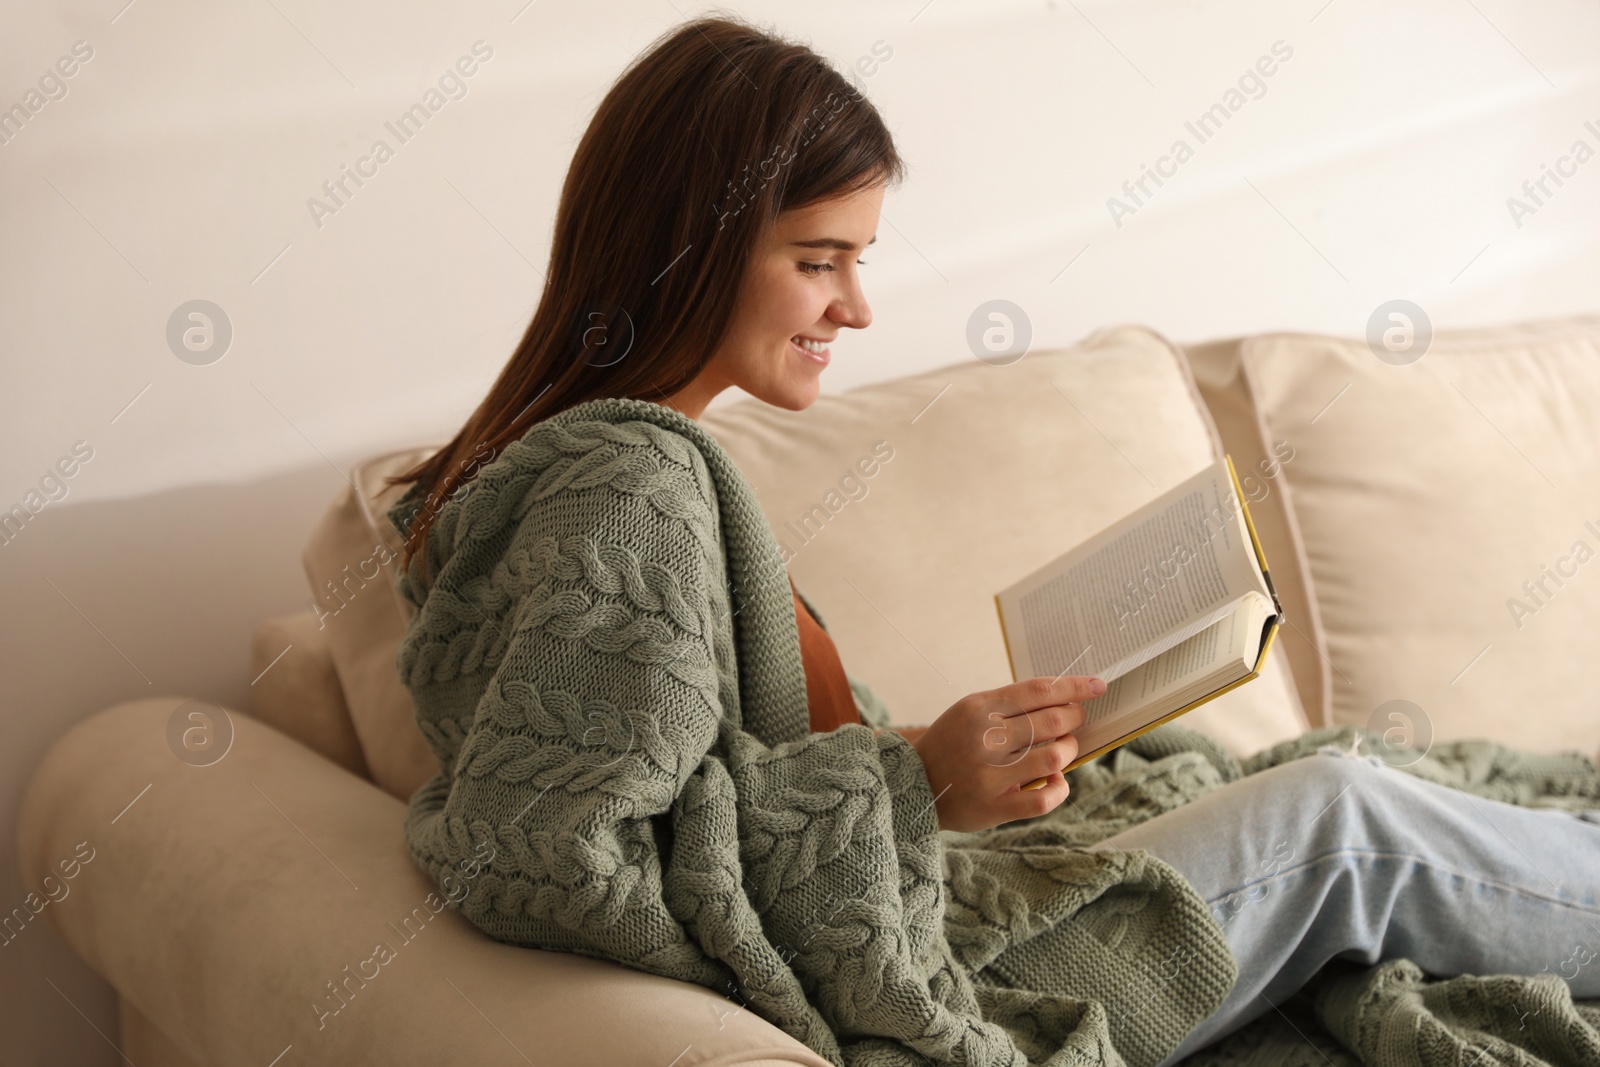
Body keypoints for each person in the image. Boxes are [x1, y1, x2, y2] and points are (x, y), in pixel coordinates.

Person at [386, 14, 1600, 1066]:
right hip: (942, 961)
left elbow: (681, 778)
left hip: (926, 891)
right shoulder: (630, 482)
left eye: (857, 260)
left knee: (1344, 787)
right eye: (818, 262)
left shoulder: (584, 467)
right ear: (692, 249)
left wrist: (953, 767)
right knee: (1344, 814)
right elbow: (556, 846)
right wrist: (916, 782)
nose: (854, 306)